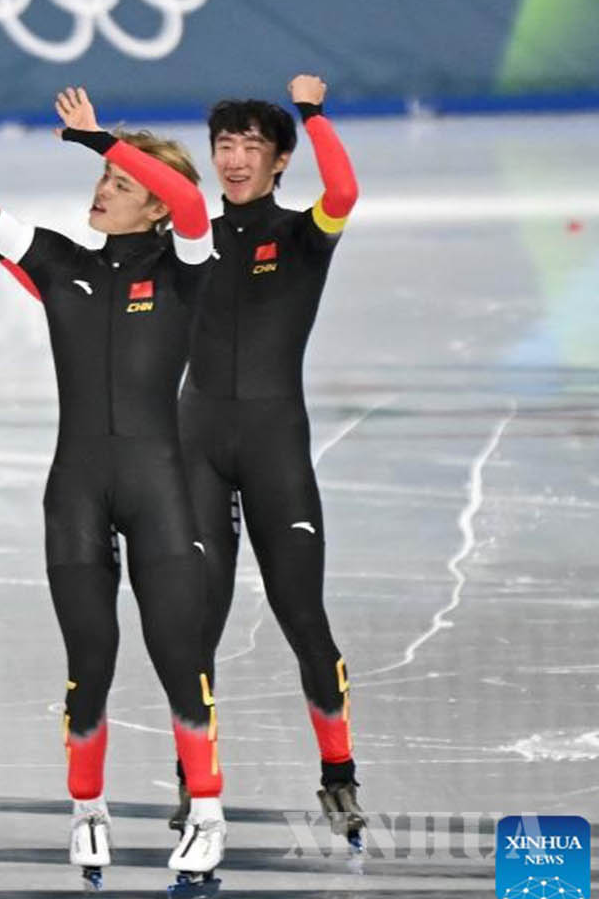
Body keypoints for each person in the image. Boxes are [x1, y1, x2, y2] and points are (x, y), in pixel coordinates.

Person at [0, 60, 226, 895]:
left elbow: (189, 202)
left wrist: (103, 141)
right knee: (89, 657)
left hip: (158, 489)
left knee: (179, 656)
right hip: (75, 489)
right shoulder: (60, 261)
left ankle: (207, 813)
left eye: (121, 185)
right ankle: (87, 810)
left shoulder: (186, 264)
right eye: (103, 180)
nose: (103, 190)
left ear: (150, 203)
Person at [176, 75, 363, 847]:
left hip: (274, 445)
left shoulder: (301, 235)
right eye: (224, 145)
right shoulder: (189, 237)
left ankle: (339, 774)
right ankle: (193, 782)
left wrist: (313, 115)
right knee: (194, 623)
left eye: (251, 146)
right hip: (196, 444)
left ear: (280, 160)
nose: (234, 158)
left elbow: (344, 190)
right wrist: (101, 144)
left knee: (303, 617)